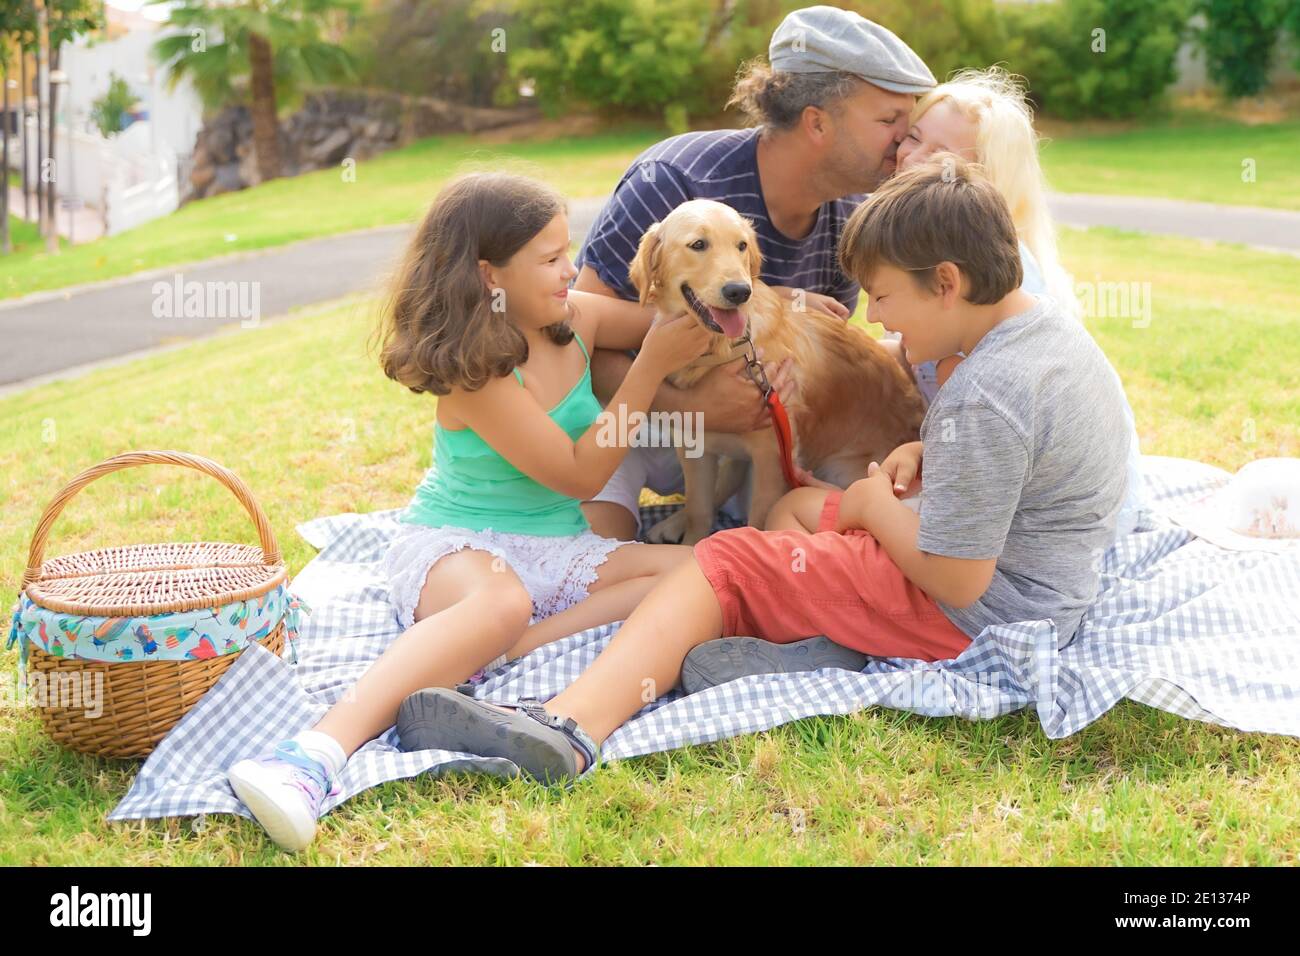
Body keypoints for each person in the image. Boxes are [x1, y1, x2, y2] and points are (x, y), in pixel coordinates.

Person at [394, 157, 1132, 783]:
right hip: (1033, 584)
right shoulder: (1040, 339)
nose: (875, 320)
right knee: (794, 514)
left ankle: (568, 725)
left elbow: (958, 577)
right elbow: (1018, 458)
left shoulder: (985, 396)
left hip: (975, 608)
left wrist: (874, 511)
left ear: (944, 281)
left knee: (720, 561)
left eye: (884, 296)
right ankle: (825, 644)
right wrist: (923, 455)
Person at [226, 172, 712, 852]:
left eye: (566, 251)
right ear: (490, 274)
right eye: (550, 259)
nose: (571, 269)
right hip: (457, 546)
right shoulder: (476, 372)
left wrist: (775, 306)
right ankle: (311, 755)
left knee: (707, 571)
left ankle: (506, 657)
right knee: (501, 602)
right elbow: (581, 471)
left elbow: (681, 321)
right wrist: (650, 366)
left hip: (558, 548)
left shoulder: (579, 319)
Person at [574, 6, 937, 540]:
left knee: (801, 532)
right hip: (636, 421)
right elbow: (575, 341)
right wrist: (690, 407)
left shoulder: (853, 222)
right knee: (589, 548)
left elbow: (812, 371)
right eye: (890, 122)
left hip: (752, 440)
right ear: (817, 122)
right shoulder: (674, 180)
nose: (905, 144)